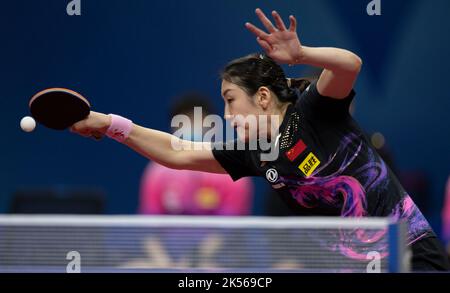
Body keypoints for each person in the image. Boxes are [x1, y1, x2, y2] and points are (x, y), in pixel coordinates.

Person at [70, 8, 450, 270]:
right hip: (352, 265)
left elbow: (350, 64)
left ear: (263, 97)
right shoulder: (255, 153)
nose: (228, 116)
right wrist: (108, 123)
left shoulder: (315, 110)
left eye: (231, 101)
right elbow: (175, 152)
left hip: (409, 256)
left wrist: (302, 54)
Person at [139, 93, 253, 215]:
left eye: (197, 121)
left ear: (212, 126)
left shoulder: (231, 168)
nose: (191, 127)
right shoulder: (157, 172)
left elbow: (232, 224)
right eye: (182, 123)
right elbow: (150, 223)